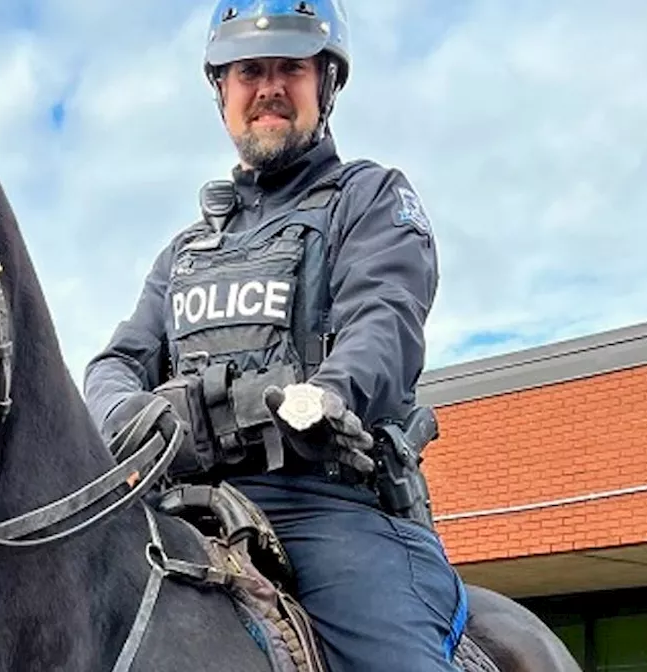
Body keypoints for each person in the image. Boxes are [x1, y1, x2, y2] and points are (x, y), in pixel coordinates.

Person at [82, 1, 468, 669]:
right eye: (248, 71)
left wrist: (329, 394)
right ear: (222, 91)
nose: (268, 88)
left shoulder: (370, 200)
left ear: (327, 83)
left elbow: (386, 323)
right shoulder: (187, 252)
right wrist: (127, 413)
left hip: (327, 509)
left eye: (290, 67)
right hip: (183, 506)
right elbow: (117, 360)